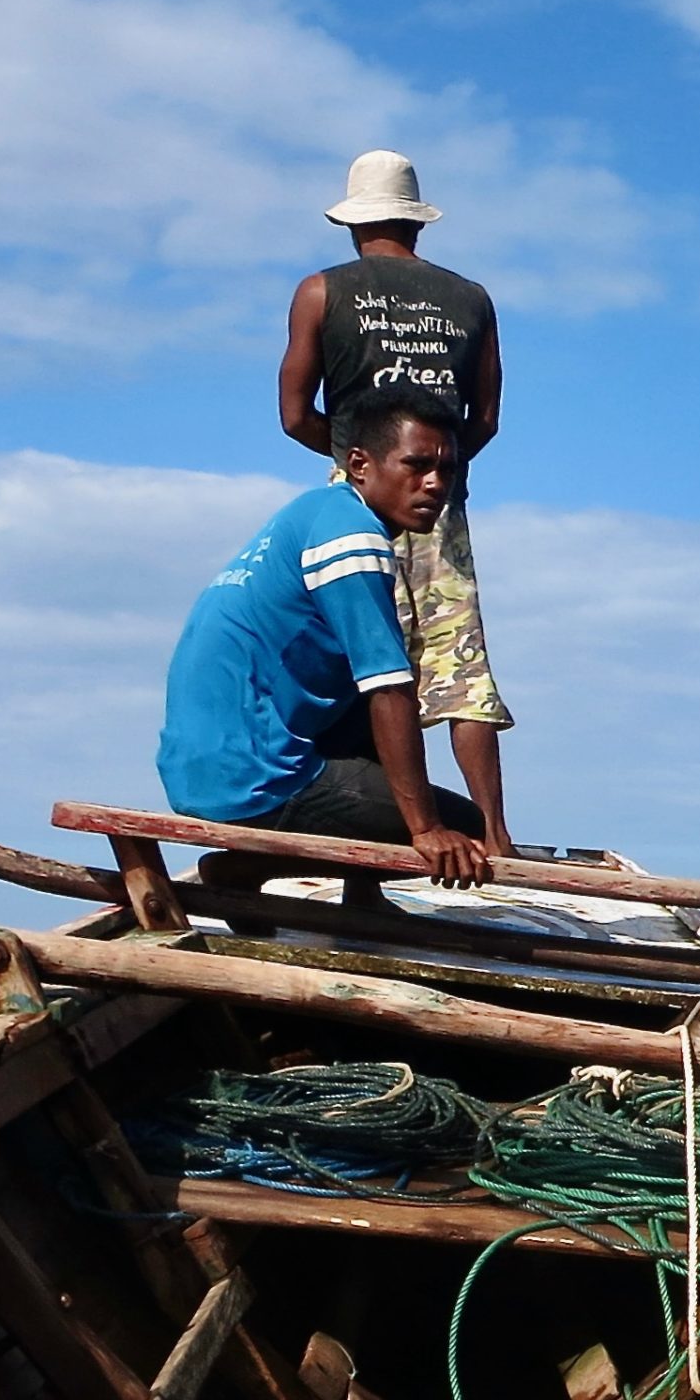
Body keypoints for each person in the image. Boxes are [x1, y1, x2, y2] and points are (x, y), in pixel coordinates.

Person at [278, 149, 516, 860]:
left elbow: (294, 414)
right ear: (417, 225)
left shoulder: (321, 291)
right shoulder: (470, 298)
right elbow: (487, 415)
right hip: (442, 502)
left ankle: (368, 825)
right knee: (459, 663)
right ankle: (494, 832)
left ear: (354, 223)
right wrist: (438, 468)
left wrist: (365, 465)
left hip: (355, 496)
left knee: (362, 657)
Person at [156, 404, 491, 892]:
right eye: (417, 466)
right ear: (360, 464)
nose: (436, 484)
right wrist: (426, 830)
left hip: (203, 764)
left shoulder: (315, 511)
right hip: (252, 776)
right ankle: (242, 869)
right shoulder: (352, 541)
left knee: (364, 701)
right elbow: (388, 689)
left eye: (446, 469)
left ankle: (361, 896)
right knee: (463, 823)